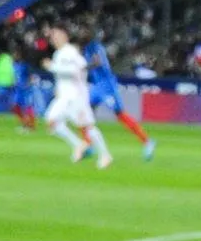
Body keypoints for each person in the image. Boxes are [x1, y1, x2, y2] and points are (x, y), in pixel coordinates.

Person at [43, 27, 111, 169]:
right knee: (51, 121)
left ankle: (105, 155)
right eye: (53, 37)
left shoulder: (70, 52)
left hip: (76, 96)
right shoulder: (59, 53)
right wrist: (58, 88)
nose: (54, 39)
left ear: (65, 37)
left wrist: (52, 67)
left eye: (57, 36)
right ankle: (80, 145)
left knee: (87, 126)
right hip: (64, 96)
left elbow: (75, 71)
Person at [85, 38, 155, 161]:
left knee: (119, 114)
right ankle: (88, 144)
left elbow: (98, 62)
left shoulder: (92, 46)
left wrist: (81, 67)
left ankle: (147, 141)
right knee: (85, 112)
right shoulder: (89, 46)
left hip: (107, 85)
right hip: (97, 85)